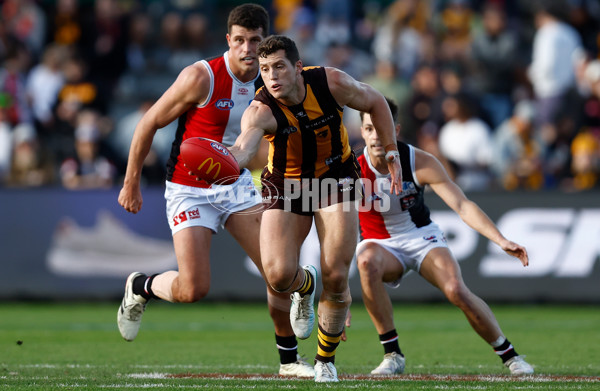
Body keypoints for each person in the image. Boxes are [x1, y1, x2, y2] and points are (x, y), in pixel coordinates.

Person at [116, 4, 313, 378]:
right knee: (193, 289)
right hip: (189, 190)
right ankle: (140, 285)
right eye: (239, 40)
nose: (247, 49)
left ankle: (289, 360)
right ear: (229, 40)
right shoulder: (201, 77)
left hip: (236, 185)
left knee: (276, 272)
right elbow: (148, 123)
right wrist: (131, 182)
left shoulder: (271, 82)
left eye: (255, 41)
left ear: (265, 42)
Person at [228, 35, 402, 382]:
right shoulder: (260, 110)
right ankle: (305, 286)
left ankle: (325, 360)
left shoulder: (331, 82)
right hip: (286, 185)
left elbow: (377, 102)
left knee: (337, 276)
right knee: (278, 277)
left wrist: (393, 152)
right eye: (264, 69)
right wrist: (227, 162)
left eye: (278, 66)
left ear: (297, 67)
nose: (271, 76)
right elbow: (244, 148)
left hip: (334, 178)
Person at [355, 97, 534, 376]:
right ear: (362, 132)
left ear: (396, 130)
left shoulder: (419, 161)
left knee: (455, 290)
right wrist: (336, 294)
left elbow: (462, 205)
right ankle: (392, 354)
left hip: (421, 236)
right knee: (366, 262)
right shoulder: (351, 170)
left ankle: (511, 356)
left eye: (382, 127)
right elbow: (333, 224)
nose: (377, 135)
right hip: (379, 243)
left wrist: (500, 240)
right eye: (369, 128)